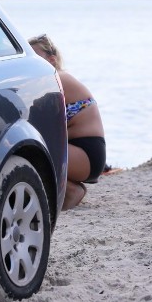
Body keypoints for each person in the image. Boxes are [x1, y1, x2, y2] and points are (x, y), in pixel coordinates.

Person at [28, 34, 106, 210]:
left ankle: (71, 190)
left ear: (52, 59)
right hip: (80, 154)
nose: (31, 65)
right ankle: (70, 188)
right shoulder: (57, 79)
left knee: (32, 150)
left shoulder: (59, 79)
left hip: (86, 153)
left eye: (36, 59)